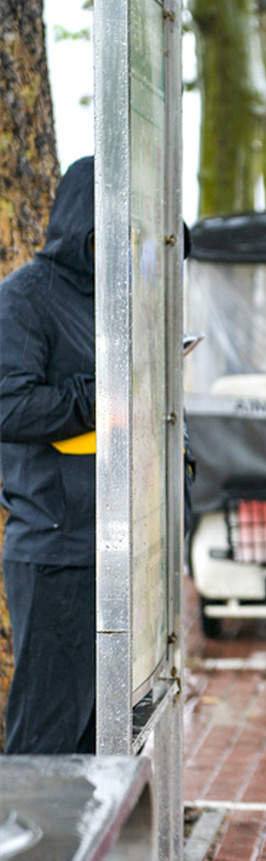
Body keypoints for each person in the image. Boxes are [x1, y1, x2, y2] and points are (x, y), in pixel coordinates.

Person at [1, 157, 97, 754]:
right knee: (44, 736)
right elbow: (8, 405)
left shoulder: (111, 296)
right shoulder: (25, 298)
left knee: (91, 732)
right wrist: (98, 393)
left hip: (103, 548)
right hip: (56, 550)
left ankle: (77, 847)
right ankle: (28, 849)